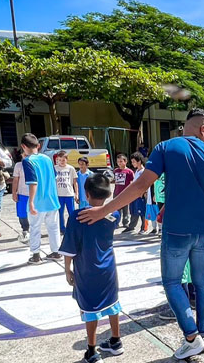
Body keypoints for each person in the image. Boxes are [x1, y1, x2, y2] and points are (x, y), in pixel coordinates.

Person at [78, 108, 204, 360]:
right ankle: (202, 334)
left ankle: (191, 337)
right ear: (203, 128)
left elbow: (141, 185)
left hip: (177, 230)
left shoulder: (165, 148)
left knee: (172, 282)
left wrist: (104, 209)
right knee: (203, 283)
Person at [59, 174, 124, 362]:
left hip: (86, 268)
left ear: (86, 194)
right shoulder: (114, 215)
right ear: (108, 194)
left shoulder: (77, 216)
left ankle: (91, 351)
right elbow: (108, 216)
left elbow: (70, 247)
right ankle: (116, 341)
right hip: (108, 266)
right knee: (112, 303)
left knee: (89, 308)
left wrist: (67, 269)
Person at [21, 133, 62, 264]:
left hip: (38, 201)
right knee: (54, 227)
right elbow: (54, 177)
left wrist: (31, 202)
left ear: (23, 146)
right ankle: (56, 252)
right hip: (52, 199)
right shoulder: (47, 158)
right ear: (38, 146)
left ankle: (36, 255)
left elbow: (33, 183)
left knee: (35, 228)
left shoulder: (27, 161)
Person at [54, 151, 78, 233]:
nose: (61, 162)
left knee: (71, 212)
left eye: (63, 160)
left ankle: (73, 227)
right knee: (60, 212)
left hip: (69, 194)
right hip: (58, 194)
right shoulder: (55, 168)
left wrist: (76, 193)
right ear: (57, 160)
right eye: (60, 160)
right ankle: (62, 228)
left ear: (67, 159)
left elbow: (75, 182)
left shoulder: (71, 168)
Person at [10, 149, 31, 243]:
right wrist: (14, 192)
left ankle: (34, 230)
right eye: (25, 154)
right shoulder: (19, 165)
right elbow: (15, 180)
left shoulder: (36, 164)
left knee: (35, 213)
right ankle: (25, 229)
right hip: (22, 193)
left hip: (34, 194)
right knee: (22, 213)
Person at [113, 154, 135, 232]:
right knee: (117, 208)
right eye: (118, 161)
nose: (119, 163)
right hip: (117, 192)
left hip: (125, 193)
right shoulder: (115, 171)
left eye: (121, 161)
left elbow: (133, 181)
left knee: (125, 209)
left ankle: (125, 222)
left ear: (125, 162)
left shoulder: (129, 172)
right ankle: (116, 222)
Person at [129, 152, 149, 234]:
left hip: (141, 195)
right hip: (136, 194)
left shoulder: (143, 171)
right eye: (132, 162)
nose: (132, 163)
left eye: (134, 161)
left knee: (143, 212)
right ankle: (136, 227)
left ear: (139, 161)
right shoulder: (137, 171)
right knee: (137, 210)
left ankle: (144, 228)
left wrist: (144, 192)